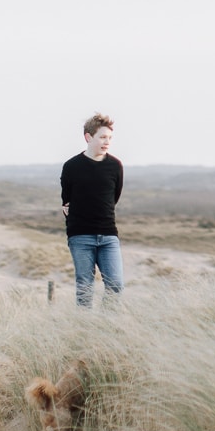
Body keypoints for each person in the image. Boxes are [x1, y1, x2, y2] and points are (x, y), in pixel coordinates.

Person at [60, 112, 124, 307]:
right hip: (80, 237)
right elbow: (67, 202)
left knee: (116, 285)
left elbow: (113, 199)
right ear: (89, 137)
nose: (107, 142)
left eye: (110, 138)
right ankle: (84, 331)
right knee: (85, 289)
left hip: (108, 236)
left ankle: (106, 327)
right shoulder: (71, 166)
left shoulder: (115, 166)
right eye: (102, 137)